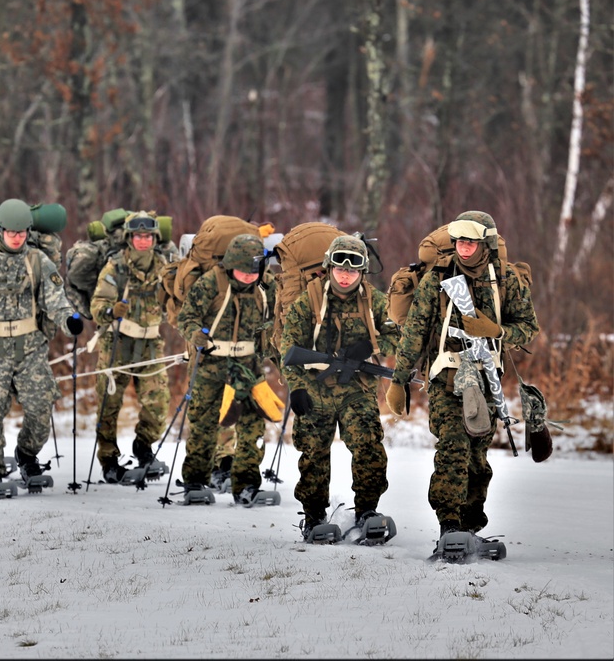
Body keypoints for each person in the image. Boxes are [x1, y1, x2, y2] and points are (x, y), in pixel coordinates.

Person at [385, 210, 538, 539]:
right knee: (454, 445)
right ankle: (449, 525)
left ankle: (469, 523)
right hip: (446, 375)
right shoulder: (437, 278)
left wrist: (496, 331)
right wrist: (399, 379)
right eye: (458, 241)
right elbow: (415, 332)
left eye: (470, 241)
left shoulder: (505, 279)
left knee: (477, 455)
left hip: (486, 377)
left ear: (485, 243)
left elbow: (528, 327)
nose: (463, 247)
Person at [0, 198, 82, 496]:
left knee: (40, 406)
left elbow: (55, 298)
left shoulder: (37, 260)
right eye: (11, 232)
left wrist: (68, 320)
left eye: (22, 232)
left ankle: (26, 454)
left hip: (30, 347)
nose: (17, 237)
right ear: (0, 231)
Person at [276, 234, 400, 539]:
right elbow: (288, 347)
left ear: (362, 272)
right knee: (314, 453)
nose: (346, 274)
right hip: (314, 386)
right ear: (329, 266)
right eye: (340, 267)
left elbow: (400, 334)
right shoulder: (309, 299)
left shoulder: (376, 302)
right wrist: (296, 389)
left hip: (357, 388)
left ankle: (368, 511)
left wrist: (370, 346)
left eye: (353, 269)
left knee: (369, 447)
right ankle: (314, 517)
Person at [176, 233, 279, 504]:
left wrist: (278, 351)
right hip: (211, 363)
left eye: (253, 271)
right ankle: (196, 482)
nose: (247, 276)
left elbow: (277, 324)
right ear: (230, 264)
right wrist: (194, 333)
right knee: (204, 423)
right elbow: (185, 316)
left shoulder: (267, 287)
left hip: (248, 364)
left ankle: (246, 485)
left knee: (252, 425)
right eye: (242, 270)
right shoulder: (211, 282)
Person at [89, 211, 172, 483]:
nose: (143, 241)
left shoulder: (165, 268)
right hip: (118, 344)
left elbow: (180, 297)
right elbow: (97, 306)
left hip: (150, 345)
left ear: (155, 238)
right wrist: (111, 310)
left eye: (148, 236)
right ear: (129, 238)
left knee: (158, 403)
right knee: (108, 405)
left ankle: (143, 447)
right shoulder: (115, 268)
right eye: (138, 236)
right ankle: (109, 459)